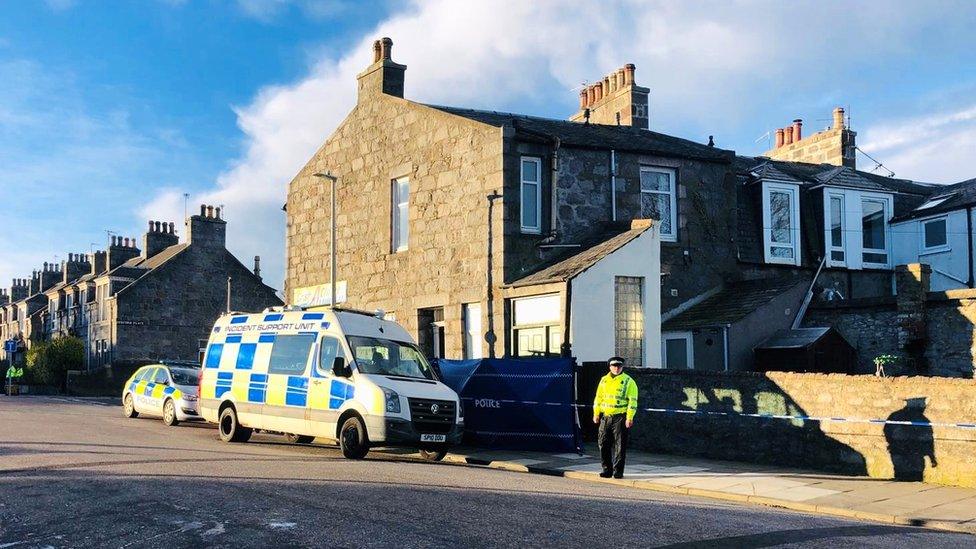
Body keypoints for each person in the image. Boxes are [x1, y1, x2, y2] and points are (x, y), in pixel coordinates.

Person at [593, 356, 638, 479]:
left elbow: (632, 402)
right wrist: (596, 413)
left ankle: (618, 471)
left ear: (622, 367)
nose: (617, 368)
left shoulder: (629, 381)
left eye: (619, 366)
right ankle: (607, 470)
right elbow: (598, 398)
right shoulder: (604, 380)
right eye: (614, 366)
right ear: (610, 367)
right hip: (606, 416)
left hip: (620, 417)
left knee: (620, 445)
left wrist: (629, 418)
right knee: (603, 443)